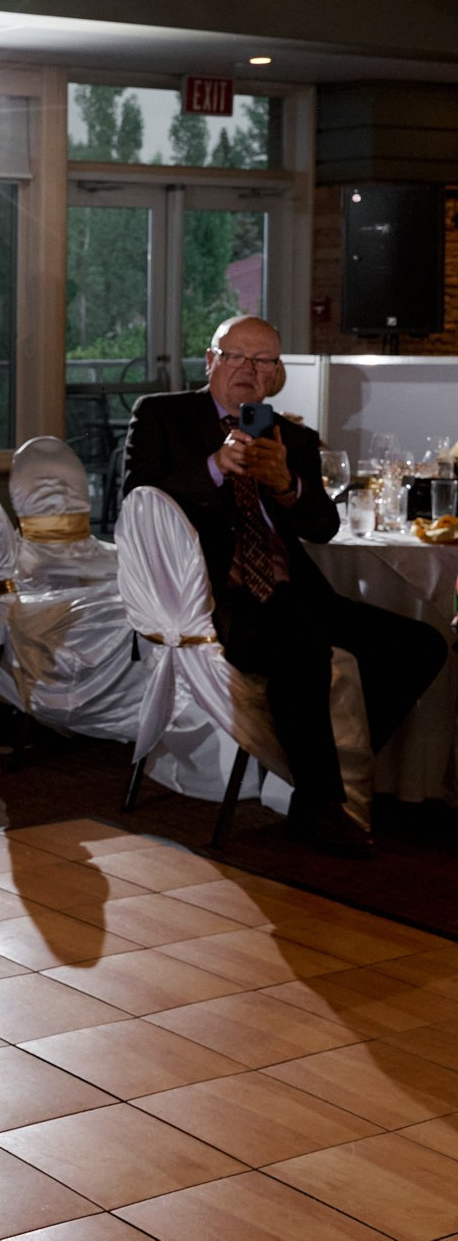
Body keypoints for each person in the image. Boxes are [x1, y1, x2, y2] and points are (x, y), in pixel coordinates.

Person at [120, 314, 447, 857]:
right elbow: (135, 499)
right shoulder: (162, 416)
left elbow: (323, 526)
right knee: (302, 648)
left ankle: (331, 775)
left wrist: (287, 485)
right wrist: (216, 466)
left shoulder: (290, 436)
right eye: (236, 357)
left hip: (294, 592)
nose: (249, 371)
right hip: (212, 601)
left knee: (421, 646)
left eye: (265, 361)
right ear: (210, 361)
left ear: (278, 375)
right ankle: (322, 806)